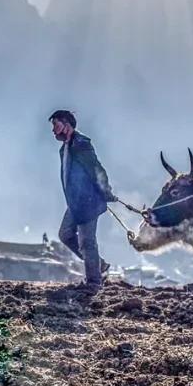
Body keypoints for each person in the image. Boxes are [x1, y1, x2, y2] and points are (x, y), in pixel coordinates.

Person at [50, 109, 116, 286]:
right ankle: (98, 265)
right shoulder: (65, 148)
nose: (53, 130)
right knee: (65, 234)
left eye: (56, 125)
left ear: (67, 124)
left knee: (87, 241)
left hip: (88, 201)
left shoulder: (81, 144)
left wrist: (106, 191)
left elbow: (96, 169)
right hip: (75, 203)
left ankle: (94, 282)